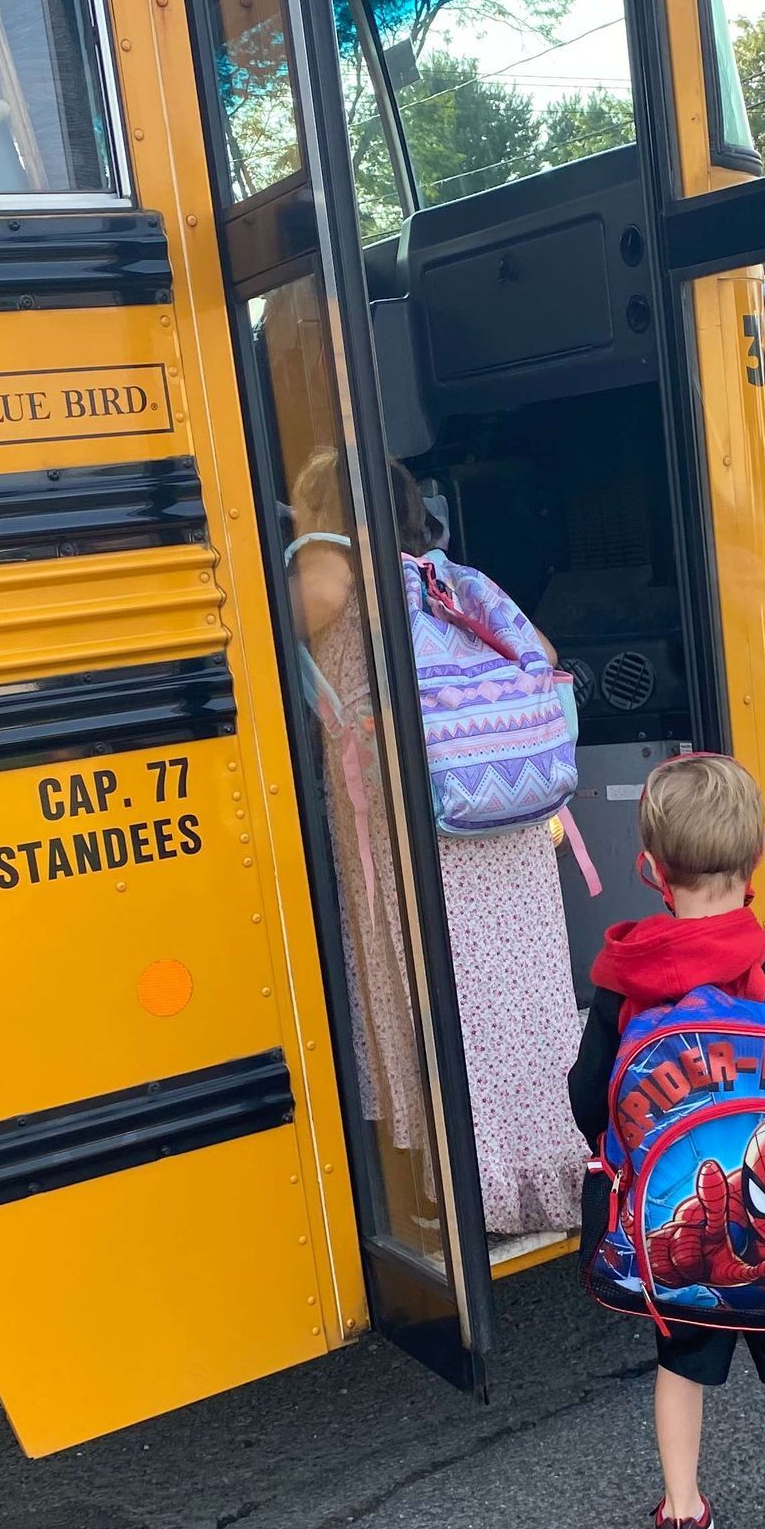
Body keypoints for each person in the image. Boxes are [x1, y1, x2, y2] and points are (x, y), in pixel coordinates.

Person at [569, 753, 765, 1529]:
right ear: (761, 854)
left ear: (650, 870)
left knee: (681, 1371)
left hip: (679, 1242)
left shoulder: (623, 992)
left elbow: (593, 1101)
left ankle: (683, 1521)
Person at [287, 448, 584, 1240]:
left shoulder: (330, 565)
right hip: (497, 810)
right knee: (515, 994)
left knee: (441, 995)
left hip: (411, 823)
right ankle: (546, 1173)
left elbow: (286, 627)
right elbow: (544, 658)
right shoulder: (449, 578)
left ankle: (467, 1189)